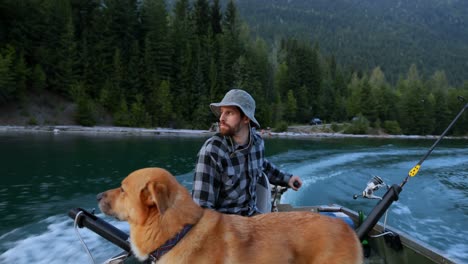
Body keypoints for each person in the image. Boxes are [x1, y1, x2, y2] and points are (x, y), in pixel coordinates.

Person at [192, 89, 302, 216]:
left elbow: (263, 165)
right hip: (224, 227)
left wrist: (287, 179)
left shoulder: (257, 143)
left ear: (245, 118)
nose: (221, 118)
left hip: (252, 218)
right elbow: (202, 210)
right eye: (222, 112)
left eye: (229, 113)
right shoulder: (212, 151)